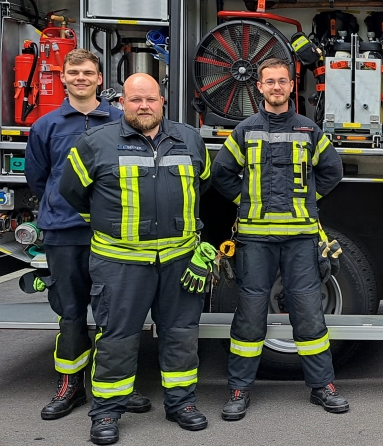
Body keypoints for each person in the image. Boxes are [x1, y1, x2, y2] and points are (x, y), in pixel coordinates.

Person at [58, 74, 212, 445]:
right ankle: (107, 411)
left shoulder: (189, 138)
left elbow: (201, 185)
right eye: (135, 100)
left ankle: (181, 403)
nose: (144, 106)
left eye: (151, 99)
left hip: (179, 259)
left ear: (162, 101)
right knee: (117, 339)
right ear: (121, 102)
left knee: (181, 335)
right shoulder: (96, 143)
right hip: (120, 263)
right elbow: (72, 192)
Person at [211, 58, 348, 421]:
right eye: (269, 81)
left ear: (291, 86)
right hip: (254, 240)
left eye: (282, 81)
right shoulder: (244, 130)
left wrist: (305, 201)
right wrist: (247, 201)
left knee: (308, 314)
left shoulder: (308, 130)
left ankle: (323, 387)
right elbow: (222, 172)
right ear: (258, 86)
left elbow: (332, 171)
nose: (276, 87)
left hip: (301, 238)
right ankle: (239, 389)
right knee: (250, 315)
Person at [24, 49, 152, 421]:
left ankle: (115, 386)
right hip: (64, 232)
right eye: (73, 72)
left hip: (112, 233)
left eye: (88, 72)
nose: (81, 78)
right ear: (63, 78)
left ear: (100, 79)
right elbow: (41, 178)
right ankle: (70, 386)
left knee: (115, 315)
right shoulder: (45, 126)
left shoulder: (122, 119)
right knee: (71, 313)